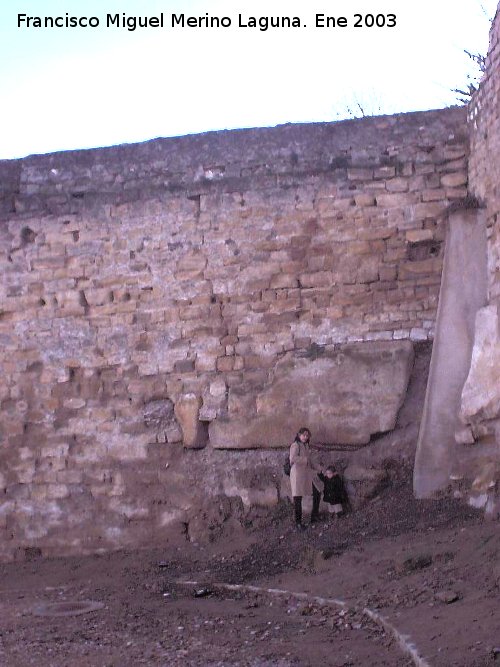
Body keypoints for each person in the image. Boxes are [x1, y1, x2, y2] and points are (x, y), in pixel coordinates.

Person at [289, 427, 322, 530]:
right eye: (304, 435)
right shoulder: (295, 445)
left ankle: (314, 516)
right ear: (299, 435)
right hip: (298, 475)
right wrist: (305, 460)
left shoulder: (306, 445)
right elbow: (293, 458)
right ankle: (298, 523)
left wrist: (319, 469)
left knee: (317, 491)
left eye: (307, 436)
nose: (305, 437)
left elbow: (310, 460)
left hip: (306, 474)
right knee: (298, 498)